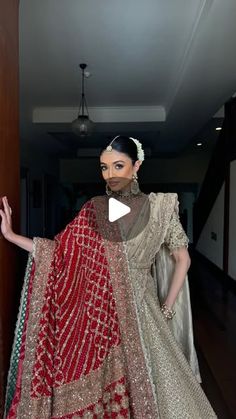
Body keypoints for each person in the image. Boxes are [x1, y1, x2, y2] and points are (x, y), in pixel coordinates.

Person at [0, 136, 216, 418]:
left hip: (145, 311)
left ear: (136, 165)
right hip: (104, 314)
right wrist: (11, 236)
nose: (110, 174)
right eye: (104, 167)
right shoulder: (97, 209)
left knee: (162, 390)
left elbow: (182, 259)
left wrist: (165, 307)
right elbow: (62, 254)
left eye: (118, 165)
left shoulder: (163, 207)